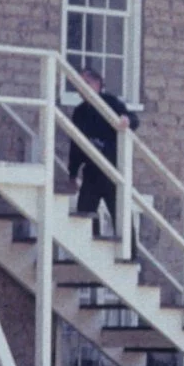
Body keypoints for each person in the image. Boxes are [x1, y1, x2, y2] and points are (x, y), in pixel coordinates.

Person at [67, 65, 136, 237]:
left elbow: (133, 120)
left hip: (113, 172)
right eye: (79, 84)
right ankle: (88, 255)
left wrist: (126, 120)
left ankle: (130, 256)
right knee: (84, 216)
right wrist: (72, 174)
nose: (82, 88)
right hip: (91, 173)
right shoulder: (80, 112)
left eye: (87, 83)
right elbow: (76, 146)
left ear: (98, 84)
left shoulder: (111, 102)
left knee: (121, 217)